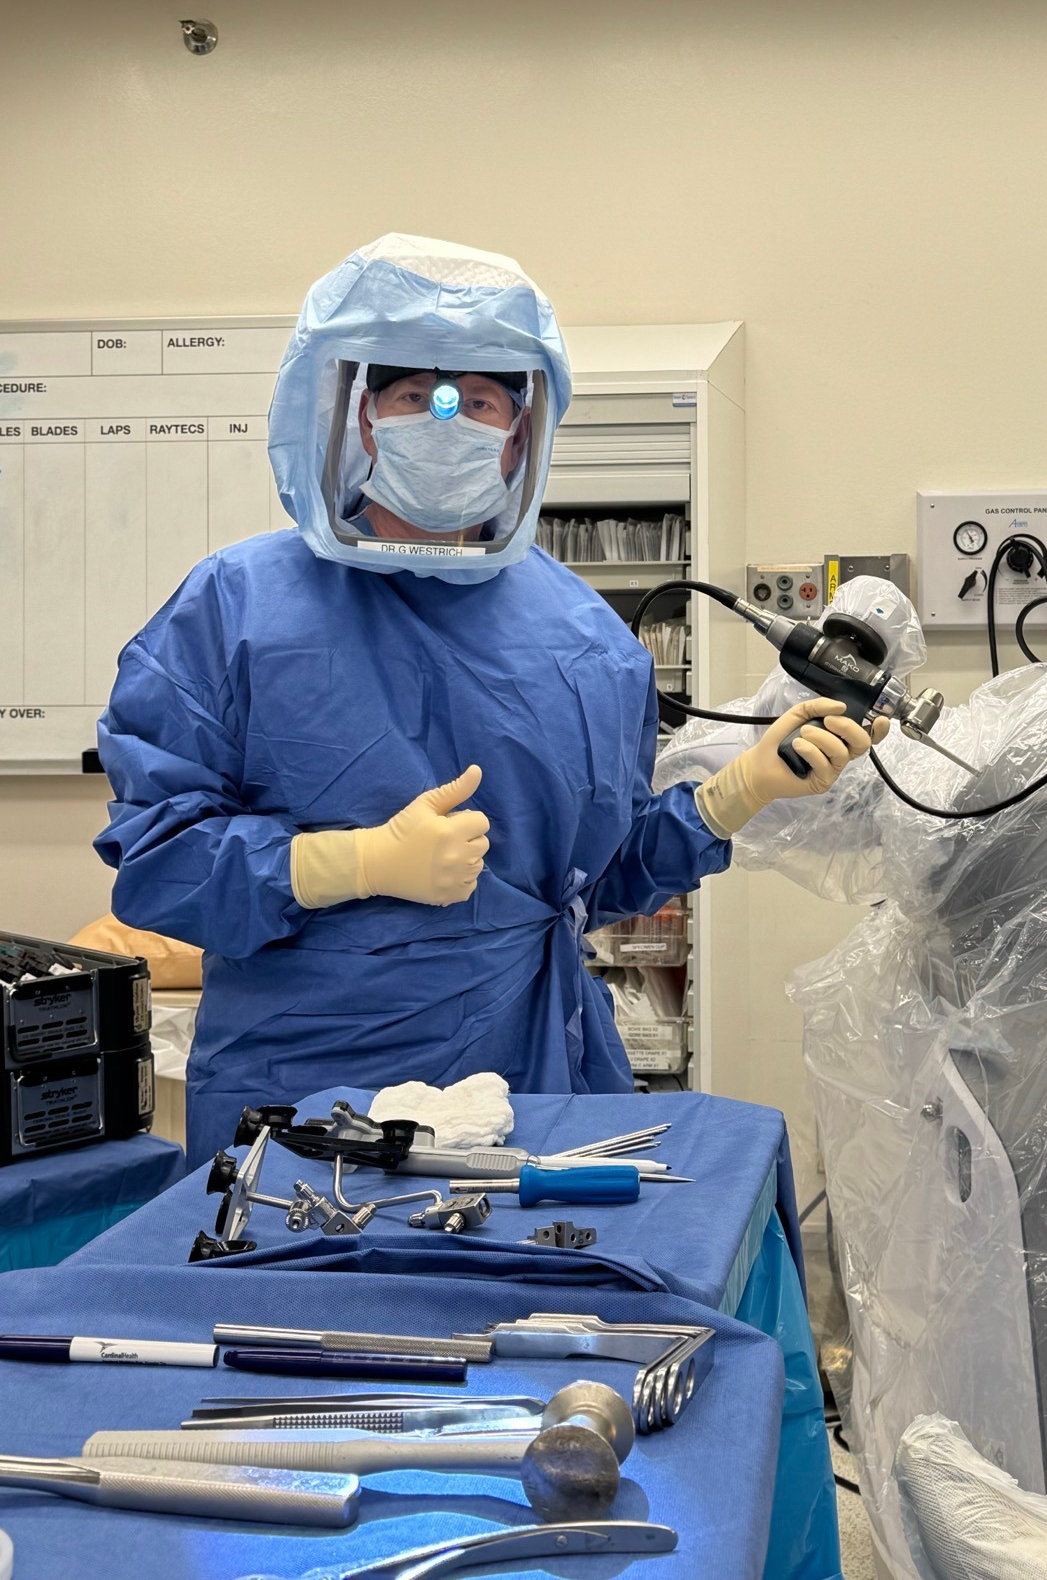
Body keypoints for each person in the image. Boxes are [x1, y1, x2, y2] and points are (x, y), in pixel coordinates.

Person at [95, 234, 878, 1162]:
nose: (445, 419)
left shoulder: (586, 642)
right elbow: (160, 863)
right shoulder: (235, 607)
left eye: (477, 400)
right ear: (360, 420)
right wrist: (349, 863)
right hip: (308, 1094)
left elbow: (595, 879)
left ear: (519, 435)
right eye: (412, 396)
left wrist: (736, 792)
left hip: (530, 1082)